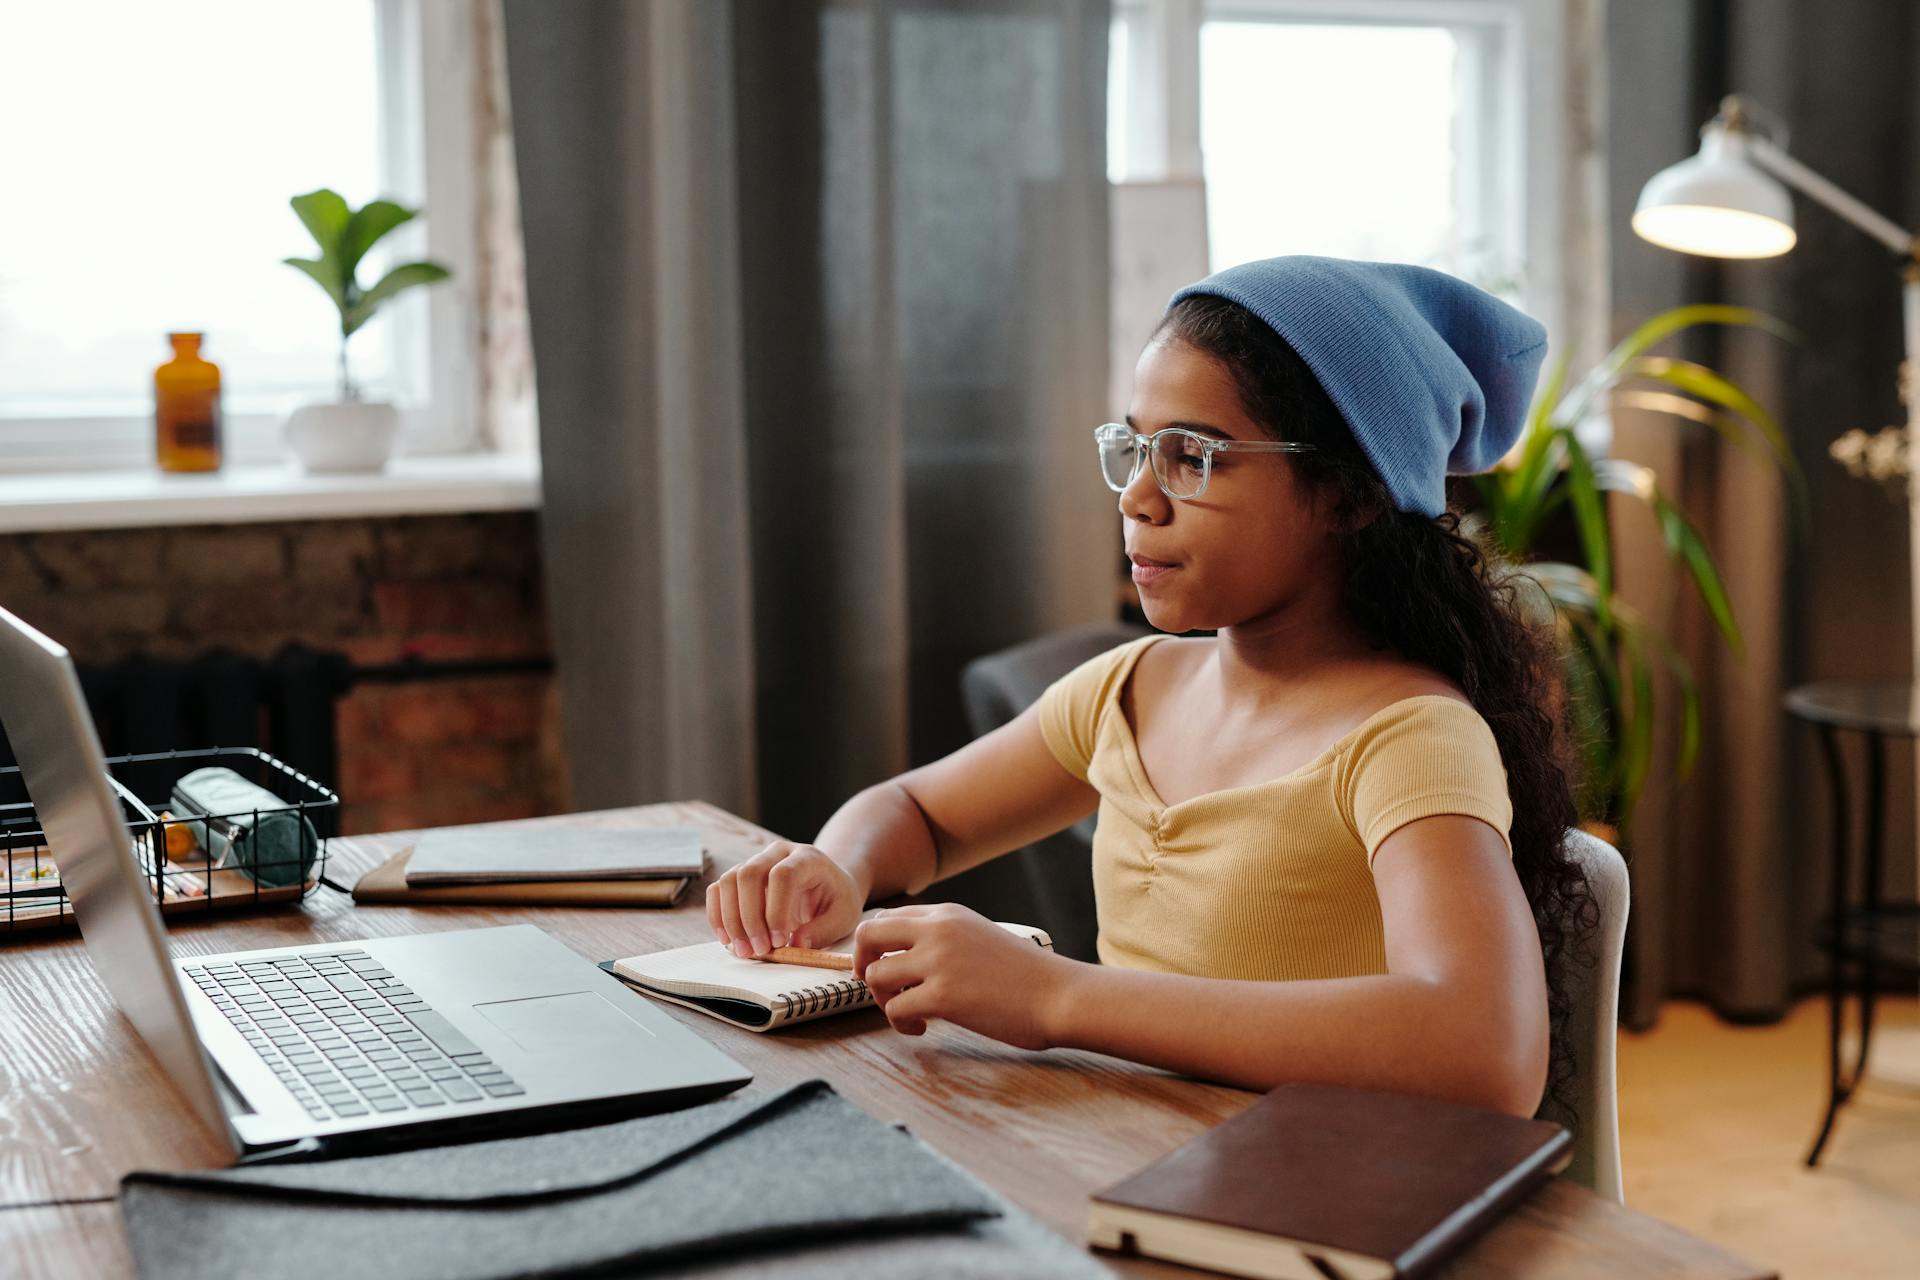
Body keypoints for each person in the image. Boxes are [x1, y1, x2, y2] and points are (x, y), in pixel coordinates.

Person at [708, 256, 1595, 1120]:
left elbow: (1486, 1050)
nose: (1137, 496)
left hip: (1296, 1198)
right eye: (1135, 448)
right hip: (1122, 1150)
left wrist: (1057, 999)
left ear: (1351, 494)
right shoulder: (1131, 693)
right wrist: (841, 863)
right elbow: (921, 814)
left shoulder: (1408, 738)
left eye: (1194, 456)